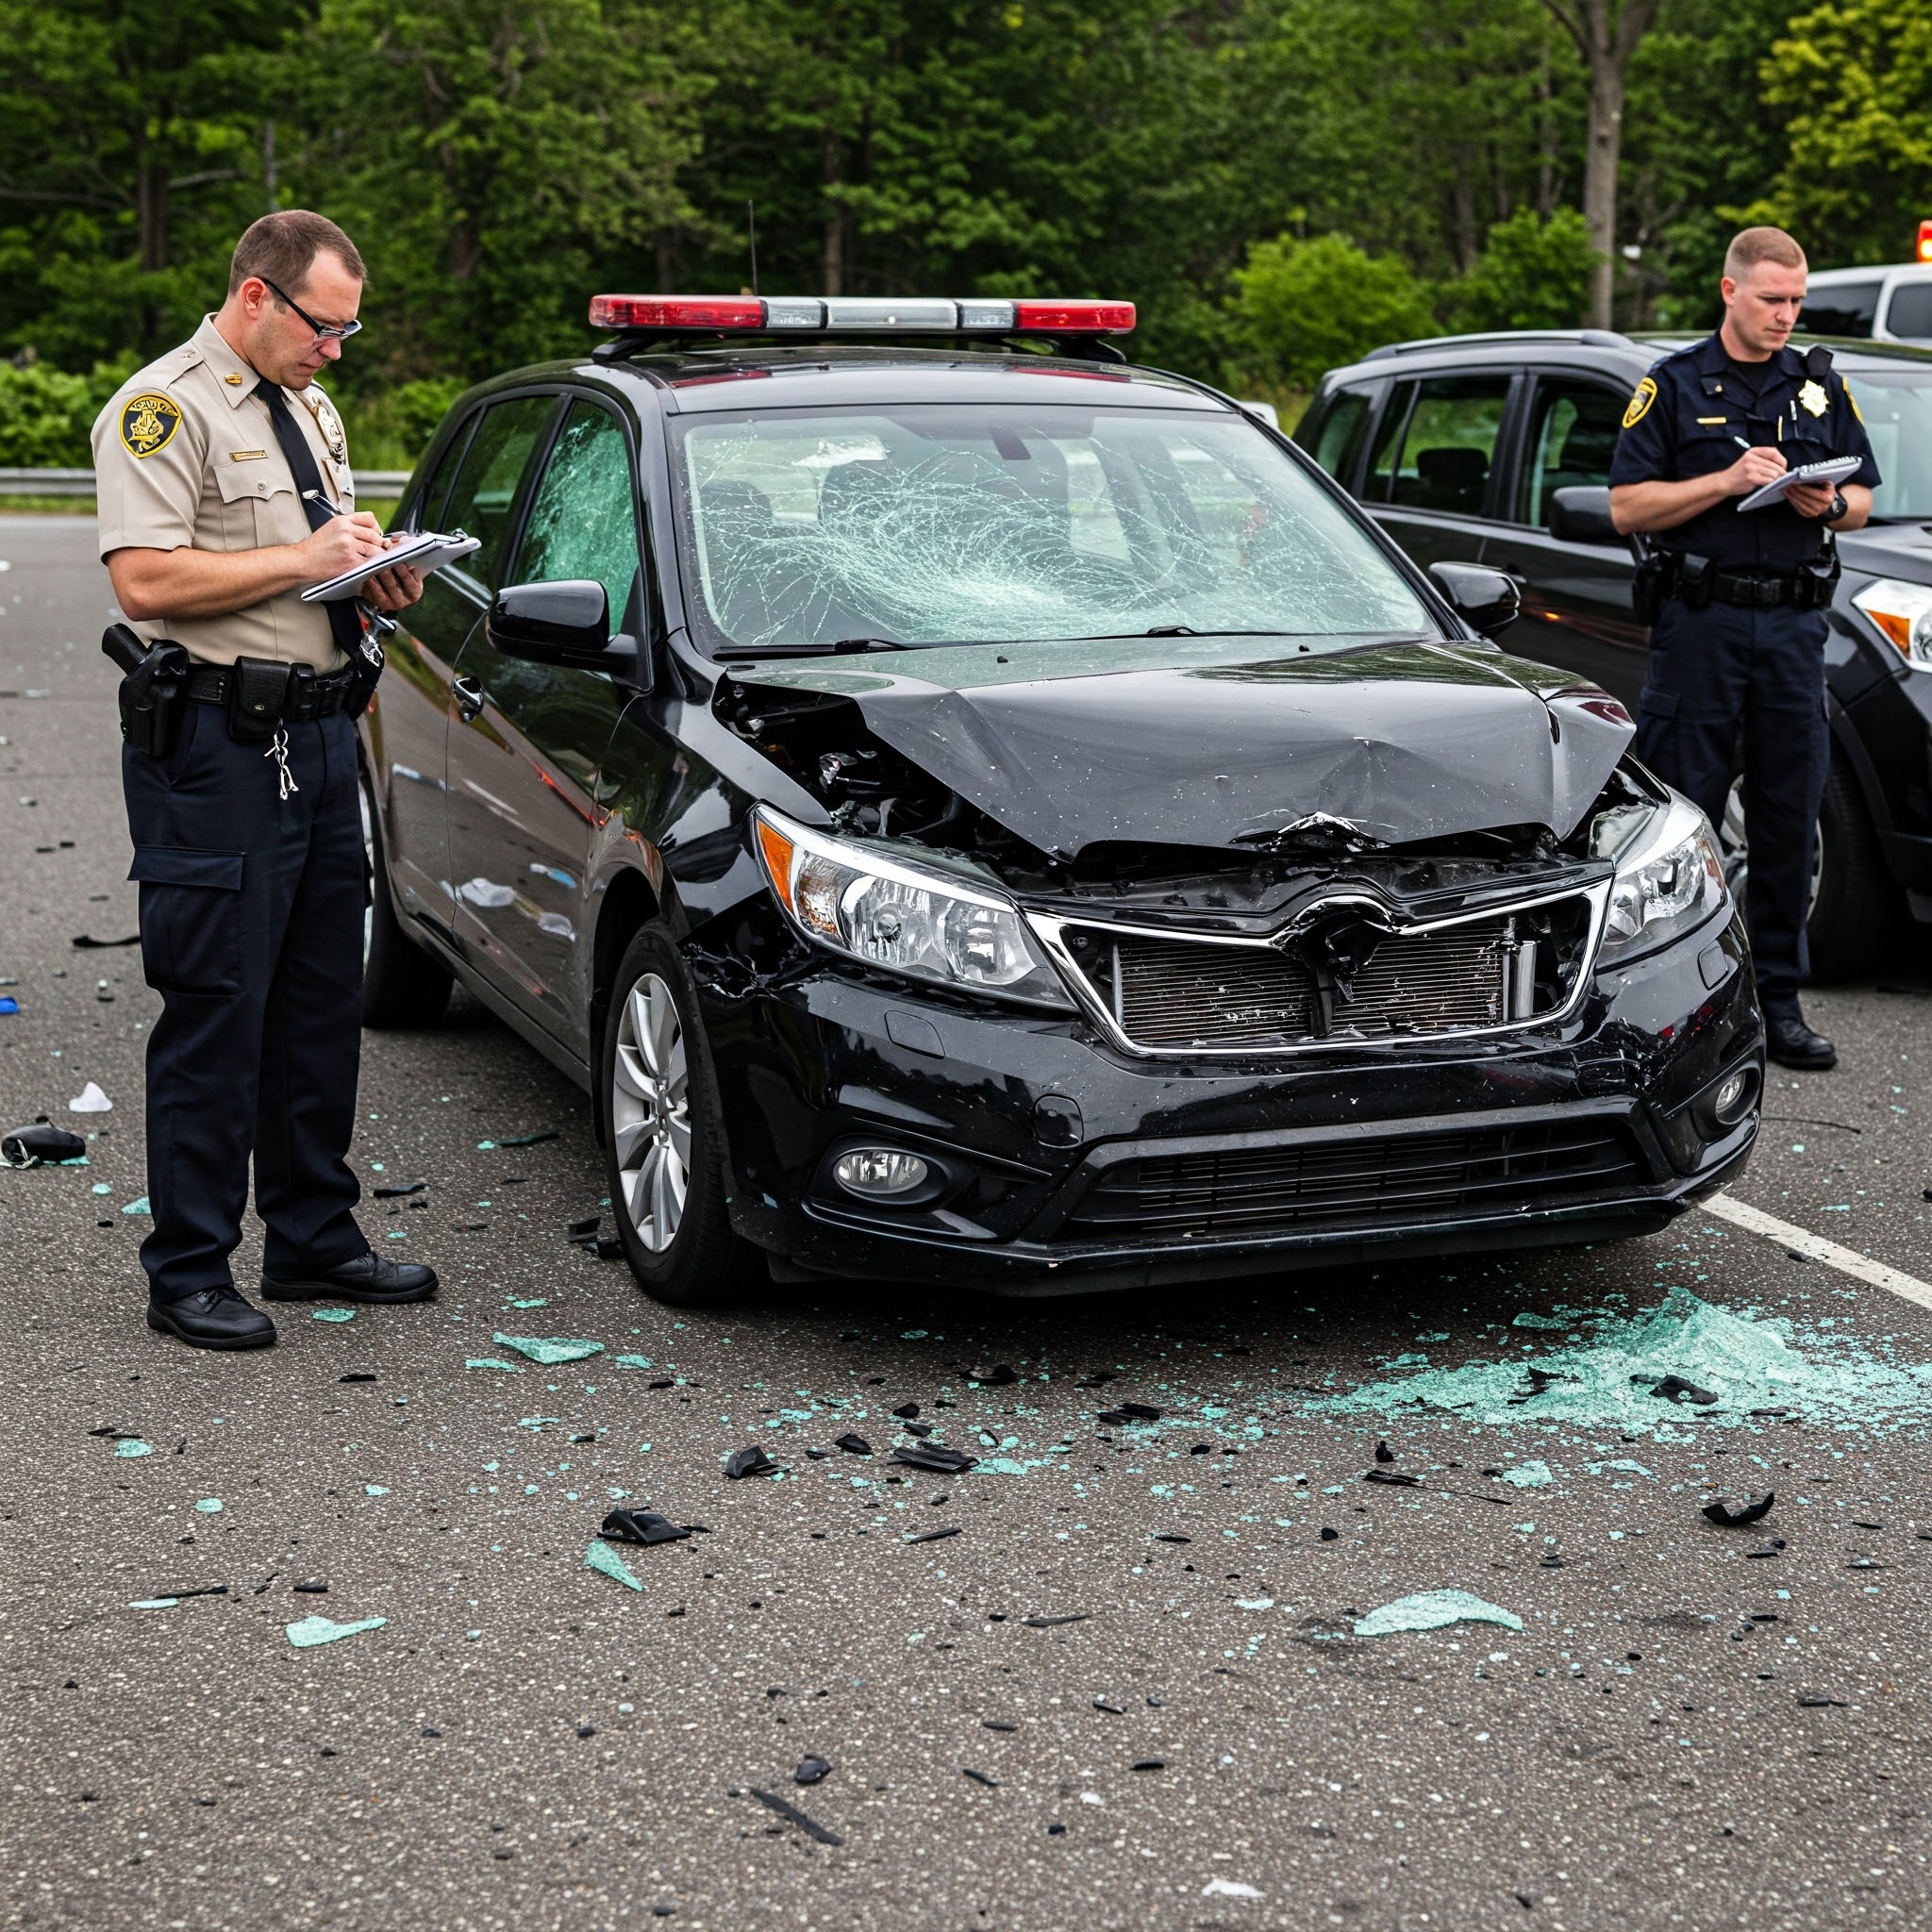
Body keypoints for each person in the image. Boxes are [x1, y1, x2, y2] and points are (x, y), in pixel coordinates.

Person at [92, 209, 436, 1349]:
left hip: (320, 733)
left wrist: (372, 573)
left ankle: (311, 1237)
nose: (335, 348)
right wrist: (305, 559)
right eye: (323, 326)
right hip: (217, 746)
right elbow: (143, 578)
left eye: (345, 330)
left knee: (317, 1002)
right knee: (217, 1006)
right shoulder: (164, 406)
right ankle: (189, 1266)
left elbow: (306, 562)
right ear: (256, 295)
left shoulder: (306, 404)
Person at [1609, 225, 1878, 1074]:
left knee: (1788, 811)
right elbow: (1627, 507)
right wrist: (1725, 483)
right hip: (1703, 623)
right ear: (1730, 292)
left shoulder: (1819, 383)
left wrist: (1829, 506)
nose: (1786, 317)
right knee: (1680, 817)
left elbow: (1865, 496)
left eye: (1796, 302)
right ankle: (1667, 1015)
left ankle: (1780, 1005)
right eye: (1771, 300)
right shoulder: (1674, 384)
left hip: (1794, 629)